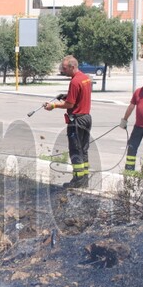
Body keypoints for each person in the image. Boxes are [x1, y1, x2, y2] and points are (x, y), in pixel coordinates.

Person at [44, 55, 92, 188]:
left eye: (65, 68)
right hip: (86, 118)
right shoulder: (85, 78)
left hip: (77, 121)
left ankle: (78, 180)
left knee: (75, 150)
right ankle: (84, 179)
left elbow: (70, 105)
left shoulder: (75, 81)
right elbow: (79, 97)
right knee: (84, 149)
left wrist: (53, 106)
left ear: (72, 66)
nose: (63, 70)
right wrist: (66, 95)